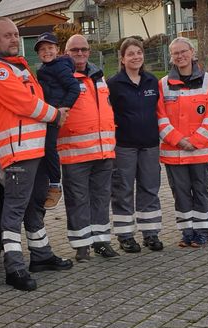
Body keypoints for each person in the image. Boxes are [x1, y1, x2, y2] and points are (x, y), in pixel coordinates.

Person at [0, 17, 73, 291]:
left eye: (15, 34)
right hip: (19, 151)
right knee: (15, 208)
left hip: (36, 149)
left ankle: (41, 255)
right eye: (7, 35)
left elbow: (35, 101)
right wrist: (56, 114)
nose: (13, 39)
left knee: (35, 204)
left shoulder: (17, 68)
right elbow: (26, 104)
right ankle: (14, 267)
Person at [58, 34, 119, 262]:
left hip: (103, 152)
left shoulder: (98, 77)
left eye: (84, 49)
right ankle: (82, 246)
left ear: (89, 51)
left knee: (101, 199)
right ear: (66, 52)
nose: (80, 54)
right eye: (75, 50)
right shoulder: (61, 78)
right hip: (75, 153)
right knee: (77, 201)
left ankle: (102, 241)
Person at [157, 37, 208, 248]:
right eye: (175, 53)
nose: (180, 56)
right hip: (174, 152)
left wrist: (194, 141)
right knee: (180, 193)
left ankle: (202, 232)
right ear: (171, 57)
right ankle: (187, 232)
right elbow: (160, 118)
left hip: (199, 151)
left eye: (183, 51)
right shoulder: (163, 84)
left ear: (192, 52)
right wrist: (178, 141)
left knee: (200, 190)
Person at [108, 37, 164, 253]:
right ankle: (125, 236)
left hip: (150, 145)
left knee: (150, 189)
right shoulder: (113, 84)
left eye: (138, 52)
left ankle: (151, 233)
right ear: (122, 59)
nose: (135, 57)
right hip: (124, 146)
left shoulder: (151, 81)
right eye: (130, 53)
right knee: (123, 190)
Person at [34, 32, 80, 210]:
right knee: (45, 148)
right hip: (49, 112)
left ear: (58, 50)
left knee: (48, 148)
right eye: (42, 50)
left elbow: (74, 88)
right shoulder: (47, 68)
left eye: (50, 48)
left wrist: (62, 110)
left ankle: (55, 185)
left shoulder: (58, 67)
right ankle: (49, 183)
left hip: (54, 113)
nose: (46, 52)